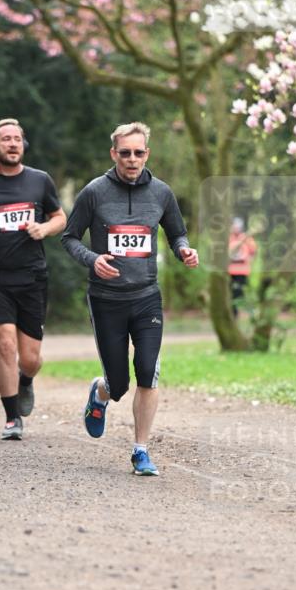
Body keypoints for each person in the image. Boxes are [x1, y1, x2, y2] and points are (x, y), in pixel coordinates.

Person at [62, 121, 199, 477]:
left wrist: (184, 250)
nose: (132, 159)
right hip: (106, 299)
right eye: (125, 153)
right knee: (119, 384)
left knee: (148, 373)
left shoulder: (162, 193)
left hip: (146, 298)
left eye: (139, 153)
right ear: (114, 154)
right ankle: (101, 392)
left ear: (147, 154)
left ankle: (141, 450)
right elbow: (70, 238)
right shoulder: (94, 192)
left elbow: (177, 233)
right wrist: (94, 260)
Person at [0, 118, 66, 440]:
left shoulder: (40, 181)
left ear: (24, 145)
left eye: (18, 138)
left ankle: (26, 380)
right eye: (6, 139)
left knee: (30, 359)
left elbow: (59, 217)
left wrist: (44, 228)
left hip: (32, 276)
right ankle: (11, 418)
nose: (13, 143)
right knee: (5, 345)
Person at [227, 217, 257, 317]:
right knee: (232, 294)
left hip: (243, 271)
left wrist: (250, 261)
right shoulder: (229, 238)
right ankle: (234, 314)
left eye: (238, 226)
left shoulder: (247, 238)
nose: (236, 228)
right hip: (230, 271)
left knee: (241, 293)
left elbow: (253, 252)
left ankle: (251, 313)